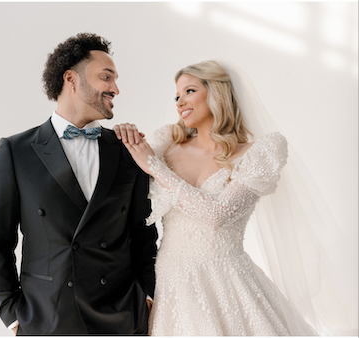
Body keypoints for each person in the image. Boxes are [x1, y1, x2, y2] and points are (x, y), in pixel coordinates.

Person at [113, 60, 345, 335]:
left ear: (217, 92)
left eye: (189, 91)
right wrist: (121, 133)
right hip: (171, 282)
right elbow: (122, 178)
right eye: (176, 95)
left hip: (227, 282)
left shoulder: (258, 153)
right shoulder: (165, 143)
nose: (179, 102)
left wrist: (155, 167)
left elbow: (216, 215)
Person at [0, 32, 158, 335]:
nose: (115, 88)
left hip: (121, 317)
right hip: (46, 317)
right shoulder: (16, 151)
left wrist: (147, 297)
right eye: (106, 77)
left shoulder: (128, 150)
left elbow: (144, 231)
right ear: (71, 79)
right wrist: (11, 312)